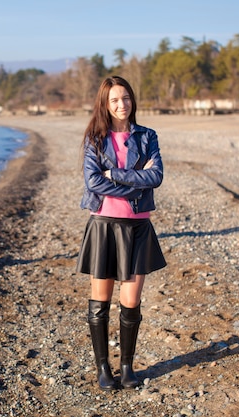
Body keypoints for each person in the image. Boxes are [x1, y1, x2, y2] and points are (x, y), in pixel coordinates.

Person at [77, 76, 167, 390]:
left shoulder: (147, 136)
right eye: (114, 100)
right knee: (100, 301)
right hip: (103, 225)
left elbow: (155, 177)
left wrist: (114, 173)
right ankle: (103, 368)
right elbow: (93, 183)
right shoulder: (94, 139)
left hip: (138, 226)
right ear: (105, 103)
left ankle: (127, 367)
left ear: (132, 100)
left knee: (131, 301)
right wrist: (133, 183)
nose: (121, 105)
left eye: (126, 98)